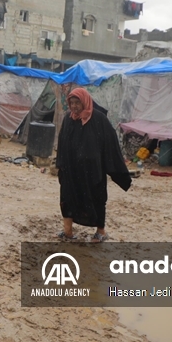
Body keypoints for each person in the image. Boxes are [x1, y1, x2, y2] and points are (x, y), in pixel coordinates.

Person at [56, 87, 132, 242]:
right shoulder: (68, 119)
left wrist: (117, 169)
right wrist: (61, 165)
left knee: (96, 198)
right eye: (72, 103)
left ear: (85, 101)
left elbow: (111, 143)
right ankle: (68, 232)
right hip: (71, 169)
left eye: (78, 102)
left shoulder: (99, 119)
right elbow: (62, 142)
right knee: (68, 197)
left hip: (93, 171)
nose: (75, 106)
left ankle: (100, 232)